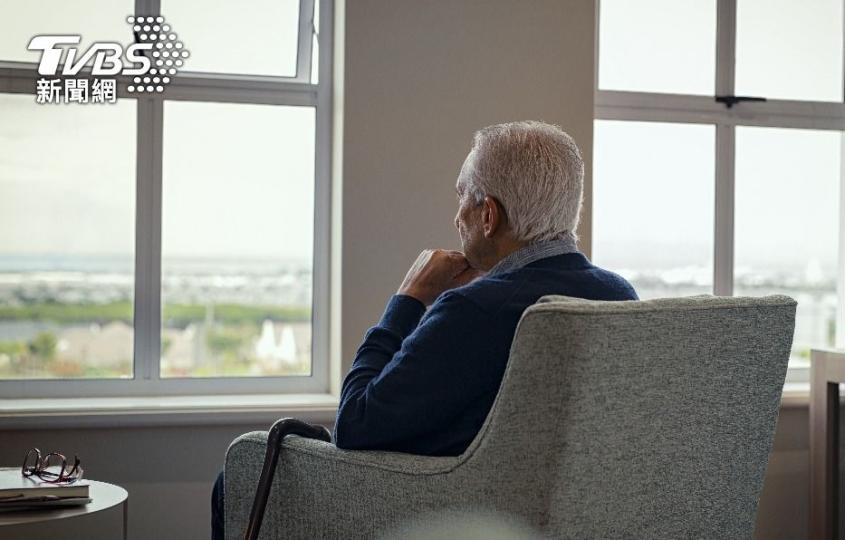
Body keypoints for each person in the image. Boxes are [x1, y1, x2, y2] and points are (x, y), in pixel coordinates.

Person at [211, 121, 637, 538]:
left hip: (452, 509)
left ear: (488, 215)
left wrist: (409, 298)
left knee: (234, 479)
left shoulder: (473, 311)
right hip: (567, 518)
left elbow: (356, 425)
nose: (456, 217)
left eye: (462, 199)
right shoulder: (620, 297)